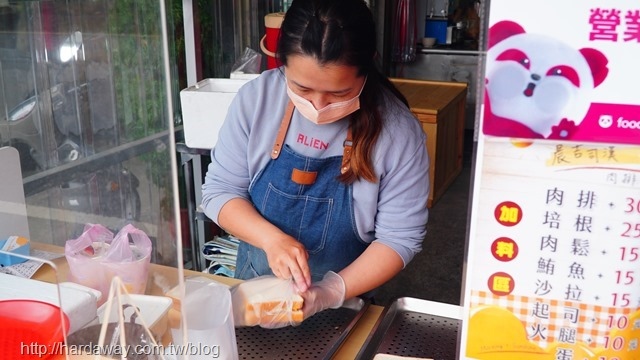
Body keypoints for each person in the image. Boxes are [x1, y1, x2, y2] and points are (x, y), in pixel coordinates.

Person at [201, 0, 430, 322]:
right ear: (282, 65)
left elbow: (399, 238)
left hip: (347, 301)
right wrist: (271, 240)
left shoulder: (398, 133)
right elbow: (220, 192)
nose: (319, 105)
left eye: (338, 93)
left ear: (368, 68)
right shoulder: (257, 101)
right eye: (302, 88)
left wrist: (328, 294)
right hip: (253, 295)